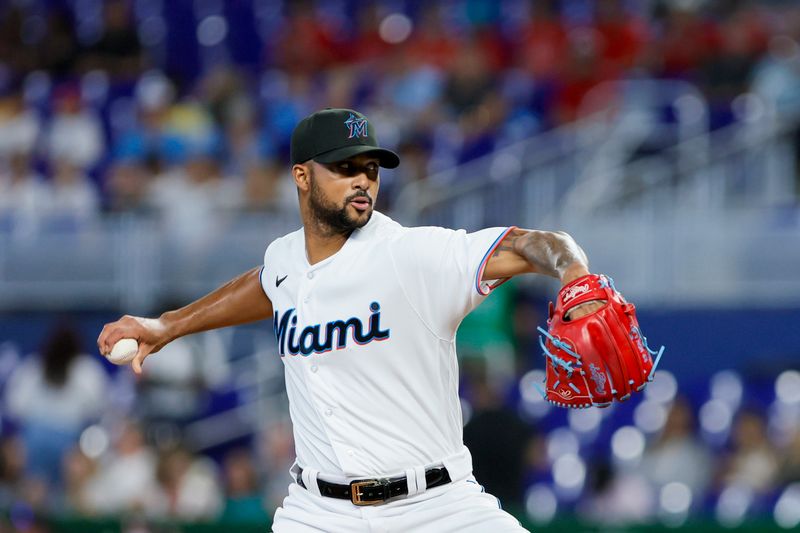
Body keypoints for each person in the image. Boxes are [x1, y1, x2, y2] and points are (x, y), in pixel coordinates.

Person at [98, 108, 603, 532]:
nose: (363, 180)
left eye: (372, 168)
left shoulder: (411, 255)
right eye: (344, 167)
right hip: (318, 513)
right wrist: (166, 327)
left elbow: (530, 243)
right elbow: (265, 284)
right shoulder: (285, 261)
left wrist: (572, 270)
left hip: (435, 507)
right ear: (301, 175)